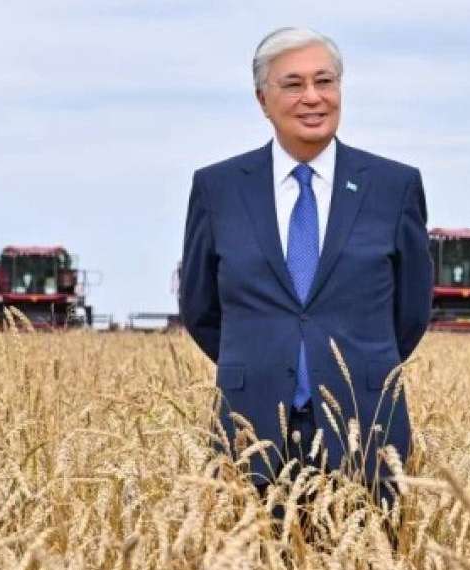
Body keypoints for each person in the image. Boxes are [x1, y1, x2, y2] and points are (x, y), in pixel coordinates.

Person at [179, 27, 432, 514]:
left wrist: (354, 367)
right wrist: (262, 362)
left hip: (367, 425)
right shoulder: (218, 189)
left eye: (325, 82)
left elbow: (411, 310)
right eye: (293, 85)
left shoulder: (393, 186)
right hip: (249, 428)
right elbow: (200, 308)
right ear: (262, 99)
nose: (312, 97)